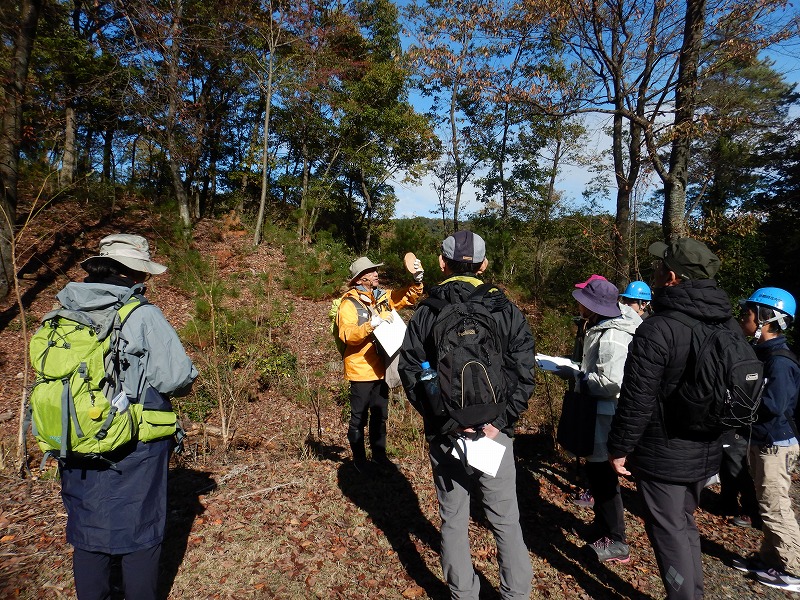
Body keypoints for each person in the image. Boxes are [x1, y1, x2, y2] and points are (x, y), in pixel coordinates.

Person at [57, 234, 198, 600]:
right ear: (135, 272)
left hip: (72, 435)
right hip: (133, 440)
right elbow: (176, 376)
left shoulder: (63, 312)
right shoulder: (142, 314)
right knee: (140, 529)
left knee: (88, 531)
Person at [399, 230, 536, 599]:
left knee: (454, 521)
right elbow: (525, 371)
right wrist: (501, 422)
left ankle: (463, 594)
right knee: (506, 520)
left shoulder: (426, 312)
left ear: (442, 264)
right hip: (495, 433)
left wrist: (445, 421)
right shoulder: (505, 309)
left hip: (446, 435)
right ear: (484, 264)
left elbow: (410, 372)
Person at [607, 237, 728, 600]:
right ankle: (693, 593)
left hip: (665, 452)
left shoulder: (658, 328)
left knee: (668, 531)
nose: (655, 272)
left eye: (660, 268)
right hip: (707, 445)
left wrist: (619, 447)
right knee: (684, 523)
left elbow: (637, 398)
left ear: (671, 277)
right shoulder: (726, 324)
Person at [557, 278, 641, 562]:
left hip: (604, 414)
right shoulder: (601, 326)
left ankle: (617, 540)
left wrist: (576, 375)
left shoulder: (613, 336)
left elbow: (610, 383)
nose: (579, 306)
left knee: (603, 477)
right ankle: (604, 529)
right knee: (598, 475)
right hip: (595, 410)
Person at [732, 287, 800, 592]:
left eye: (747, 313)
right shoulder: (764, 354)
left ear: (766, 318)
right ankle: (772, 559)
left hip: (775, 444)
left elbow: (775, 405)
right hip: (764, 441)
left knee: (776, 507)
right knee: (767, 504)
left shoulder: (780, 361)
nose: (743, 317)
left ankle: (794, 569)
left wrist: (735, 401)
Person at [337, 256, 423, 473]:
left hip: (381, 368)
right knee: (358, 417)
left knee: (380, 415)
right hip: (360, 369)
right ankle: (359, 462)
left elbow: (405, 297)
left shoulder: (381, 297)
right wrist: (371, 324)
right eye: (372, 271)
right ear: (361, 278)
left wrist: (417, 280)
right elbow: (347, 335)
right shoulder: (348, 303)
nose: (376, 274)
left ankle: (379, 457)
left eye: (376, 271)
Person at [570, 274, 608, 510]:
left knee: (600, 459)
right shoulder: (587, 324)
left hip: (601, 402)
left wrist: (581, 378)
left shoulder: (607, 329)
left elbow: (609, 377)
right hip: (587, 395)